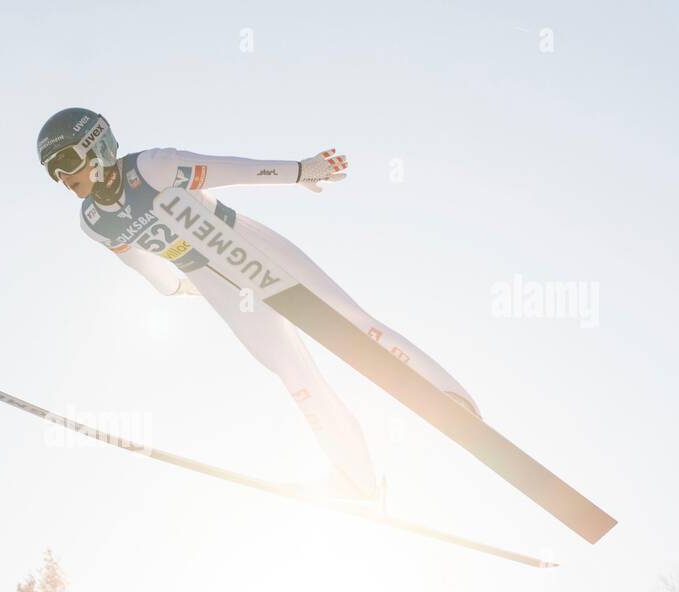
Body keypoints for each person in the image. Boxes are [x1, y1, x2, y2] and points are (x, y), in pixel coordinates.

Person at [37, 107, 480, 501]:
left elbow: (231, 170)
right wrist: (175, 289)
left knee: (348, 321)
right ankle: (358, 480)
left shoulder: (152, 167)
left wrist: (301, 170)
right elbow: (144, 267)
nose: (63, 178)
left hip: (248, 247)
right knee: (294, 374)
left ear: (98, 148)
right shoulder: (94, 223)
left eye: (67, 162)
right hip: (216, 283)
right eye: (53, 172)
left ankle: (449, 399)